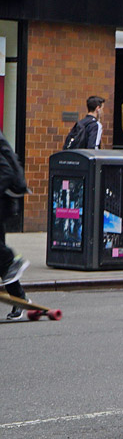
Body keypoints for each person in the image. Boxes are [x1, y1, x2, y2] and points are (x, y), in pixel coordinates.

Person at [0, 130, 29, 320]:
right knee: (1, 258)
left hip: (3, 200)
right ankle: (19, 298)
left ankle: (13, 259)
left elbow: (7, 172)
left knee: (2, 255)